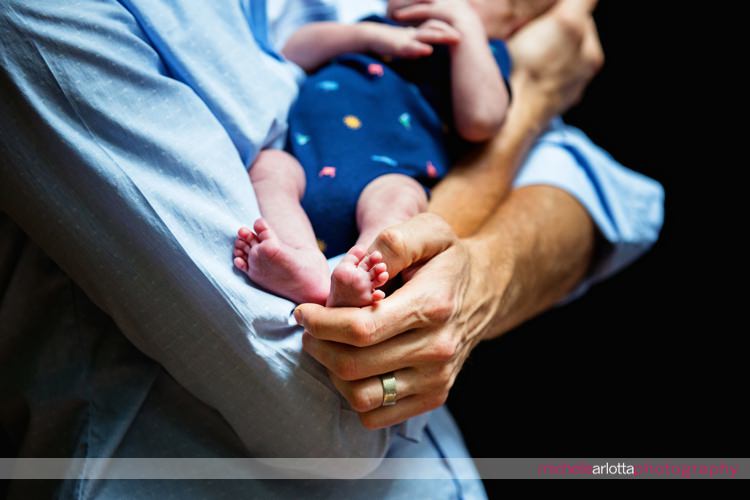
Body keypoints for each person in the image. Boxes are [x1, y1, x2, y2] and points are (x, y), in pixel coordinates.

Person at [0, 0, 663, 498]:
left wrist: (493, 63)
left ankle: (366, 260)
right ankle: (303, 267)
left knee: (396, 203)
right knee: (272, 178)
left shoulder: (476, 58)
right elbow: (333, 413)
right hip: (194, 466)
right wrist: (538, 91)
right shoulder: (45, 18)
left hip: (380, 168)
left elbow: (542, 155)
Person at [233, 1, 511, 308]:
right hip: (303, 160)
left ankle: (360, 271)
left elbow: (483, 120)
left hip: (386, 176)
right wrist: (368, 35)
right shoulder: (370, 25)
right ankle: (302, 262)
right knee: (269, 168)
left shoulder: (485, 55)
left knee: (400, 200)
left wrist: (467, 28)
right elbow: (293, 51)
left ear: (511, 24)